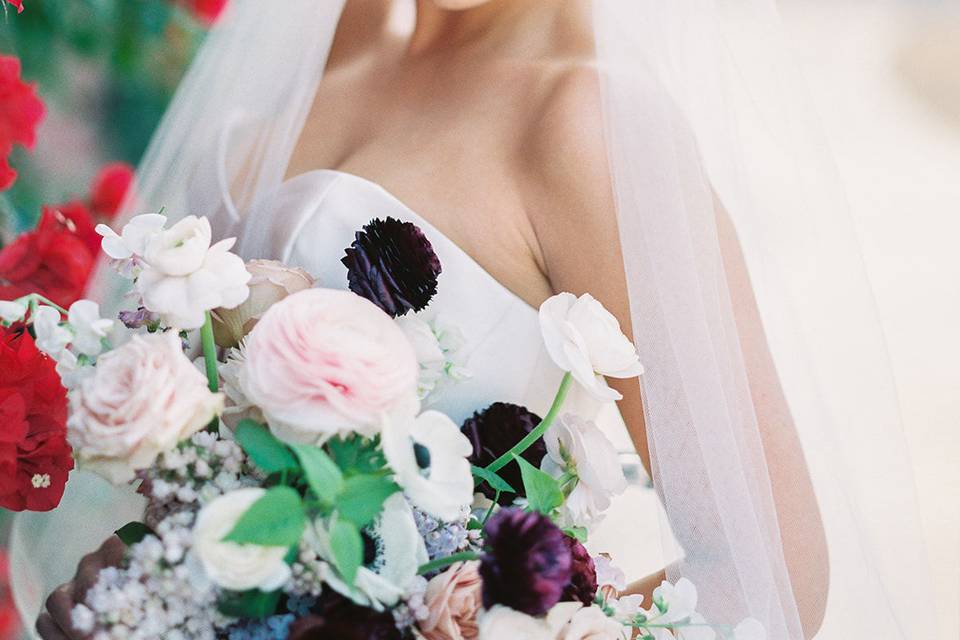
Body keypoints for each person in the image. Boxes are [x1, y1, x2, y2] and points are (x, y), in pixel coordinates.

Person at [26, 1, 935, 638]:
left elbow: (766, 574)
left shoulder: (585, 120)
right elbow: (208, 479)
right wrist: (140, 583)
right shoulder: (281, 99)